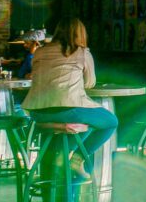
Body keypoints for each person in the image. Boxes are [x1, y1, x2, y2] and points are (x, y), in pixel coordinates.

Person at [21, 17, 115, 181]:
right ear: (81, 34)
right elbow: (90, 83)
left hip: (38, 112)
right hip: (67, 110)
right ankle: (76, 159)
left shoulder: (40, 52)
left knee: (86, 123)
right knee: (110, 122)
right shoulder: (82, 53)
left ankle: (61, 156)